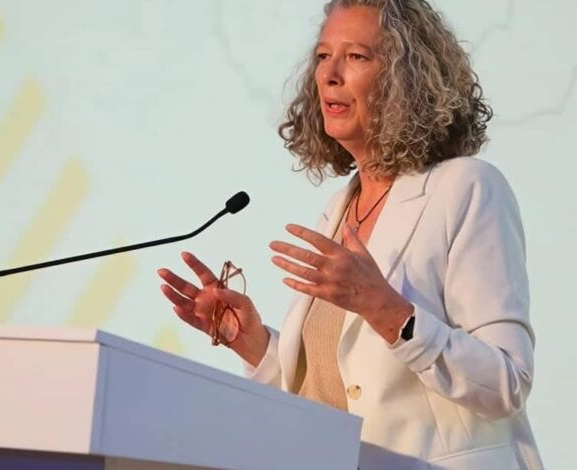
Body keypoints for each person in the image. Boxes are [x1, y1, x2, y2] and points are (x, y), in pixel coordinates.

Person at [157, 1, 543, 468]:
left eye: (356, 56)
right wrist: (252, 342)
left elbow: (507, 382)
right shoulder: (340, 208)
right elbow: (334, 396)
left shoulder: (467, 188)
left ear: (407, 78)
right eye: (323, 56)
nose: (329, 74)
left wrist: (386, 309)